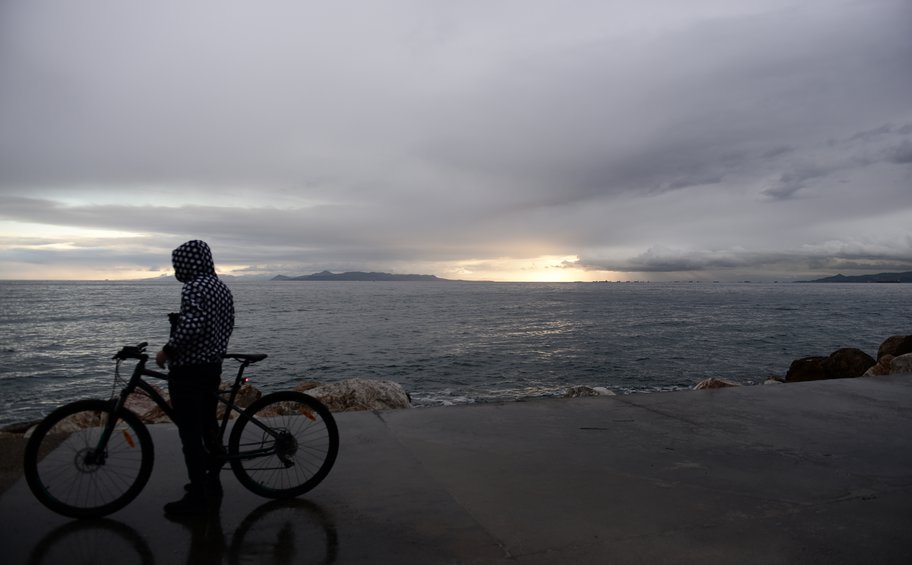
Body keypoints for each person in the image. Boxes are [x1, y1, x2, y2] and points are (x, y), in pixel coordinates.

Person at [156, 240, 235, 516]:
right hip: (212, 367)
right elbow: (225, 324)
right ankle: (210, 479)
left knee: (190, 432)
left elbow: (193, 324)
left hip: (189, 370)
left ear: (188, 263)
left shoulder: (194, 286)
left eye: (179, 263)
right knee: (207, 424)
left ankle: (198, 495)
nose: (177, 269)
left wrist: (167, 351)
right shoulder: (220, 287)